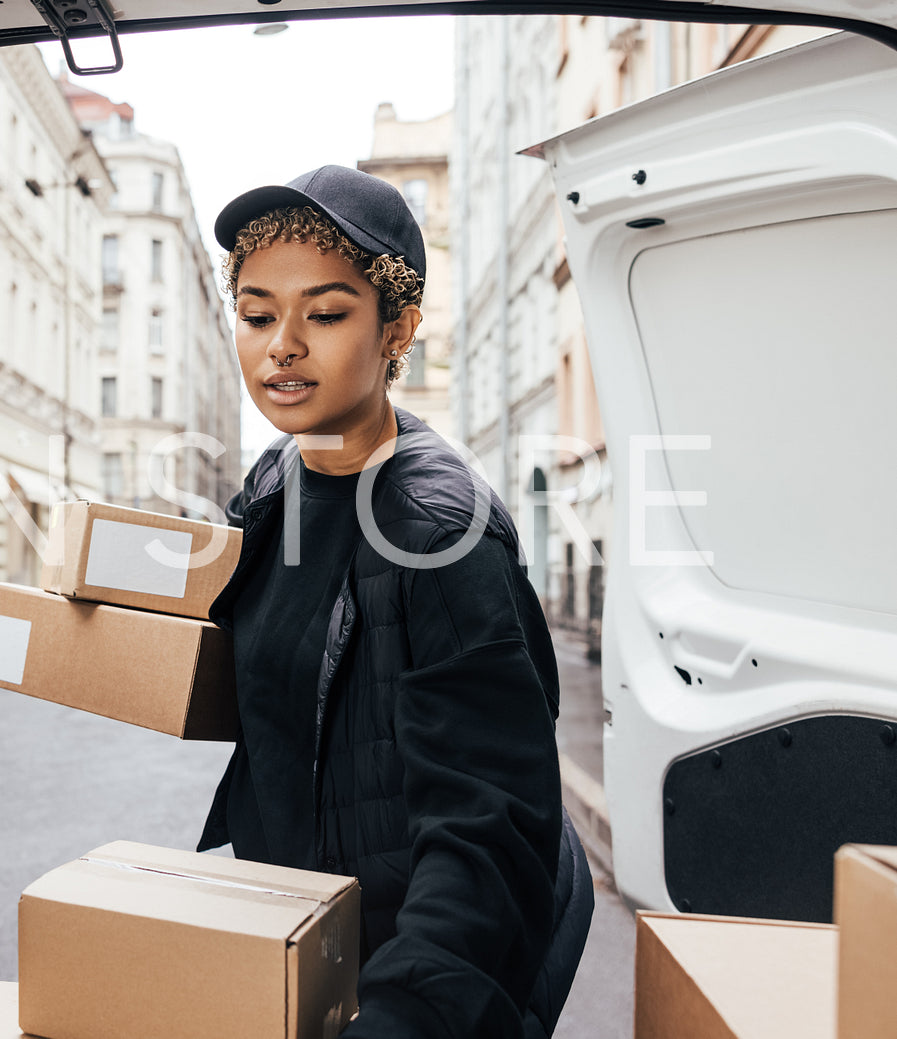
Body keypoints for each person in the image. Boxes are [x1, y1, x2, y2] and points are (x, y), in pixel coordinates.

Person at [198, 166, 593, 1038]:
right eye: (258, 314)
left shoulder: (435, 530)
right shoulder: (276, 478)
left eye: (326, 313)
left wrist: (406, 1011)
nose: (282, 346)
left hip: (417, 968)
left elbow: (491, 827)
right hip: (305, 931)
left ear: (397, 329)